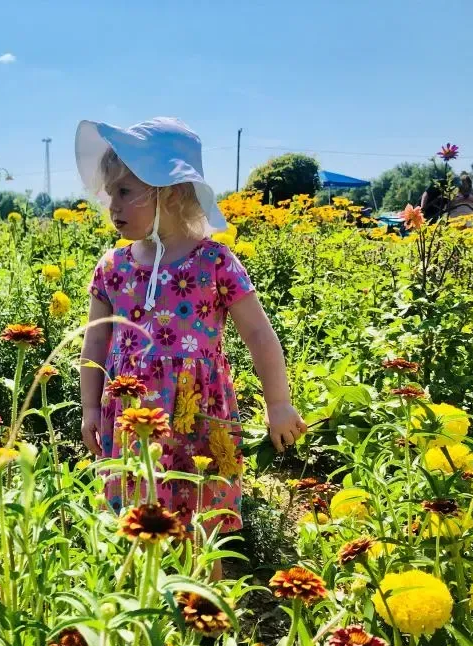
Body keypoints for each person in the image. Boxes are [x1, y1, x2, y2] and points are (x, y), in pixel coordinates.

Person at [77, 118, 307, 576]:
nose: (112, 206)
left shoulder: (214, 260)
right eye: (111, 192)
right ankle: (141, 608)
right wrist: (88, 408)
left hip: (198, 414)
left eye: (126, 192)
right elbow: (96, 337)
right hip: (131, 418)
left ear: (173, 192)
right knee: (134, 515)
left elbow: (259, 333)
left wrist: (278, 403)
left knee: (202, 517)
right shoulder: (113, 266)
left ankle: (204, 613)